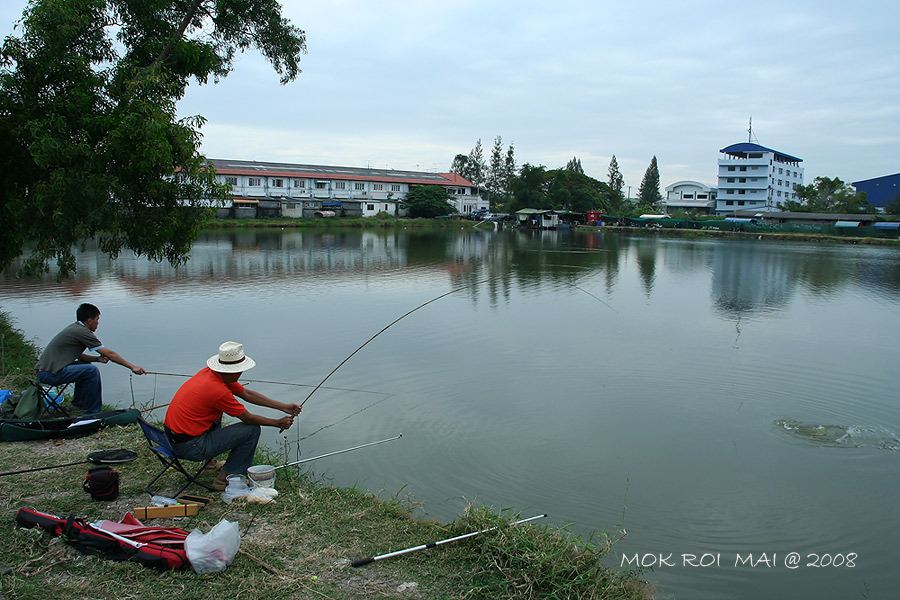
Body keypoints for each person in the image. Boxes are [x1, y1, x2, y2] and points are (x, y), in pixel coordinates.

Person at [164, 341, 301, 491]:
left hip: (171, 438)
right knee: (251, 430)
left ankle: (209, 464)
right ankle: (226, 479)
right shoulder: (217, 390)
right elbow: (248, 418)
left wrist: (283, 407)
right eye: (241, 369)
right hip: (189, 447)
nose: (242, 373)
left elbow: (247, 394)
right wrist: (277, 423)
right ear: (234, 370)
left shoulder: (212, 375)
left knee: (214, 414)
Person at [35, 303, 146, 414]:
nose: (98, 323)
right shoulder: (82, 332)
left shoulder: (75, 328)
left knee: (85, 366)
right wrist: (132, 367)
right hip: (49, 374)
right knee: (91, 371)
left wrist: (97, 359)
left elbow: (77, 355)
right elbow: (109, 354)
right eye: (97, 319)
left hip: (45, 371)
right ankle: (93, 412)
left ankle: (79, 405)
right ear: (89, 321)